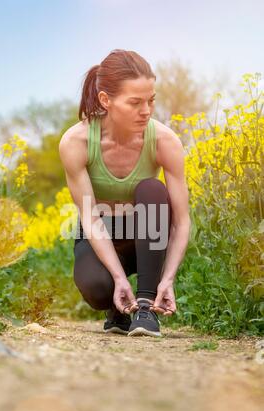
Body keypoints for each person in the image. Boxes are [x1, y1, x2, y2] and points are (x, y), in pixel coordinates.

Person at [59, 49, 191, 338]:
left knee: (152, 189)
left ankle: (145, 306)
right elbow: (90, 219)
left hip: (146, 238)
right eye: (135, 103)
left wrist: (167, 279)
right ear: (106, 100)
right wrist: (118, 278)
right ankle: (117, 305)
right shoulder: (76, 142)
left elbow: (181, 222)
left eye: (151, 101)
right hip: (100, 232)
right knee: (97, 288)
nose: (146, 111)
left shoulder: (165, 141)